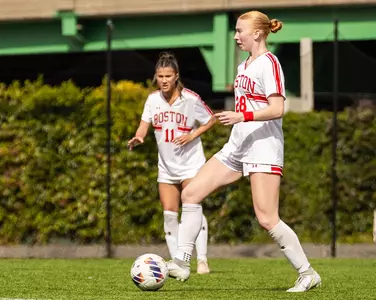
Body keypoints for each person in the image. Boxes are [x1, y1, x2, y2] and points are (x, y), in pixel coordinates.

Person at [166, 11, 322, 292]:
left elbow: (277, 109)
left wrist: (242, 117)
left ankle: (307, 273)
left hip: (264, 147)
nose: (236, 36)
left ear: (258, 34)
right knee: (190, 193)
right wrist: (237, 121)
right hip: (237, 146)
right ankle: (181, 261)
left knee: (266, 218)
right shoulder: (243, 66)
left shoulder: (269, 63)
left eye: (240, 31)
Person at [128, 52, 216, 275]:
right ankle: (178, 264)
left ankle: (202, 259)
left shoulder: (191, 99)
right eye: (160, 76)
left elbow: (211, 119)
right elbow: (143, 126)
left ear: (176, 76)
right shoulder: (152, 100)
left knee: (192, 208)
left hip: (191, 164)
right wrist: (139, 137)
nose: (164, 80)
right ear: (155, 77)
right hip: (166, 167)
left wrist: (192, 135)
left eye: (168, 75)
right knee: (169, 213)